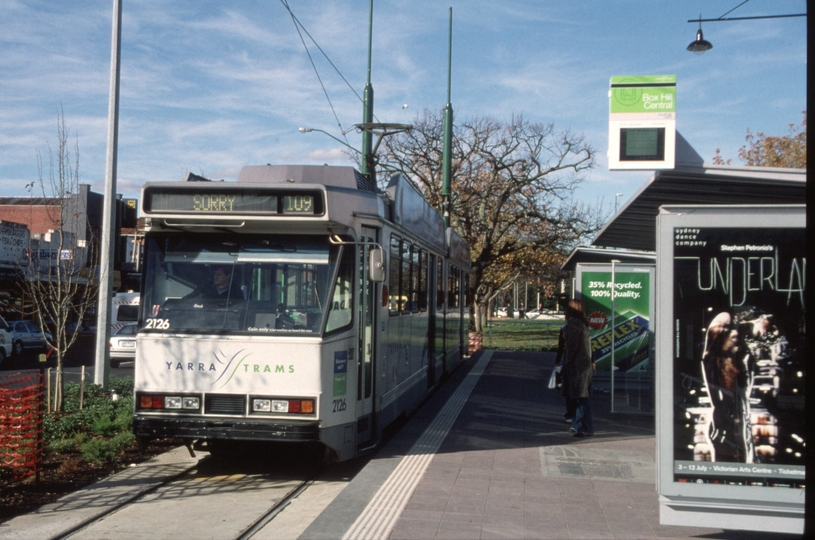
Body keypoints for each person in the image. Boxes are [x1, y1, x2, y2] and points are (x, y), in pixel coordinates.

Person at [701, 311, 754, 463]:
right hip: (727, 425)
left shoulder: (740, 362)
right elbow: (719, 401)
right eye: (728, 329)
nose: (735, 332)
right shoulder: (714, 362)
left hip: (738, 423)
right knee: (729, 458)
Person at [561, 299, 594, 437]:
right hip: (584, 366)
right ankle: (578, 425)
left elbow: (571, 348)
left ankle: (584, 427)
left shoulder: (573, 325)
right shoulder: (583, 324)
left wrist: (566, 364)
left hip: (576, 367)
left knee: (580, 398)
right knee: (580, 397)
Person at [552, 323, 576, 423]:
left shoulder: (566, 327)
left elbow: (561, 346)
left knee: (569, 387)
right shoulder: (582, 326)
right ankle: (573, 413)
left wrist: (557, 361)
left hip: (571, 360)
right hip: (576, 361)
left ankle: (571, 413)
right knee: (572, 387)